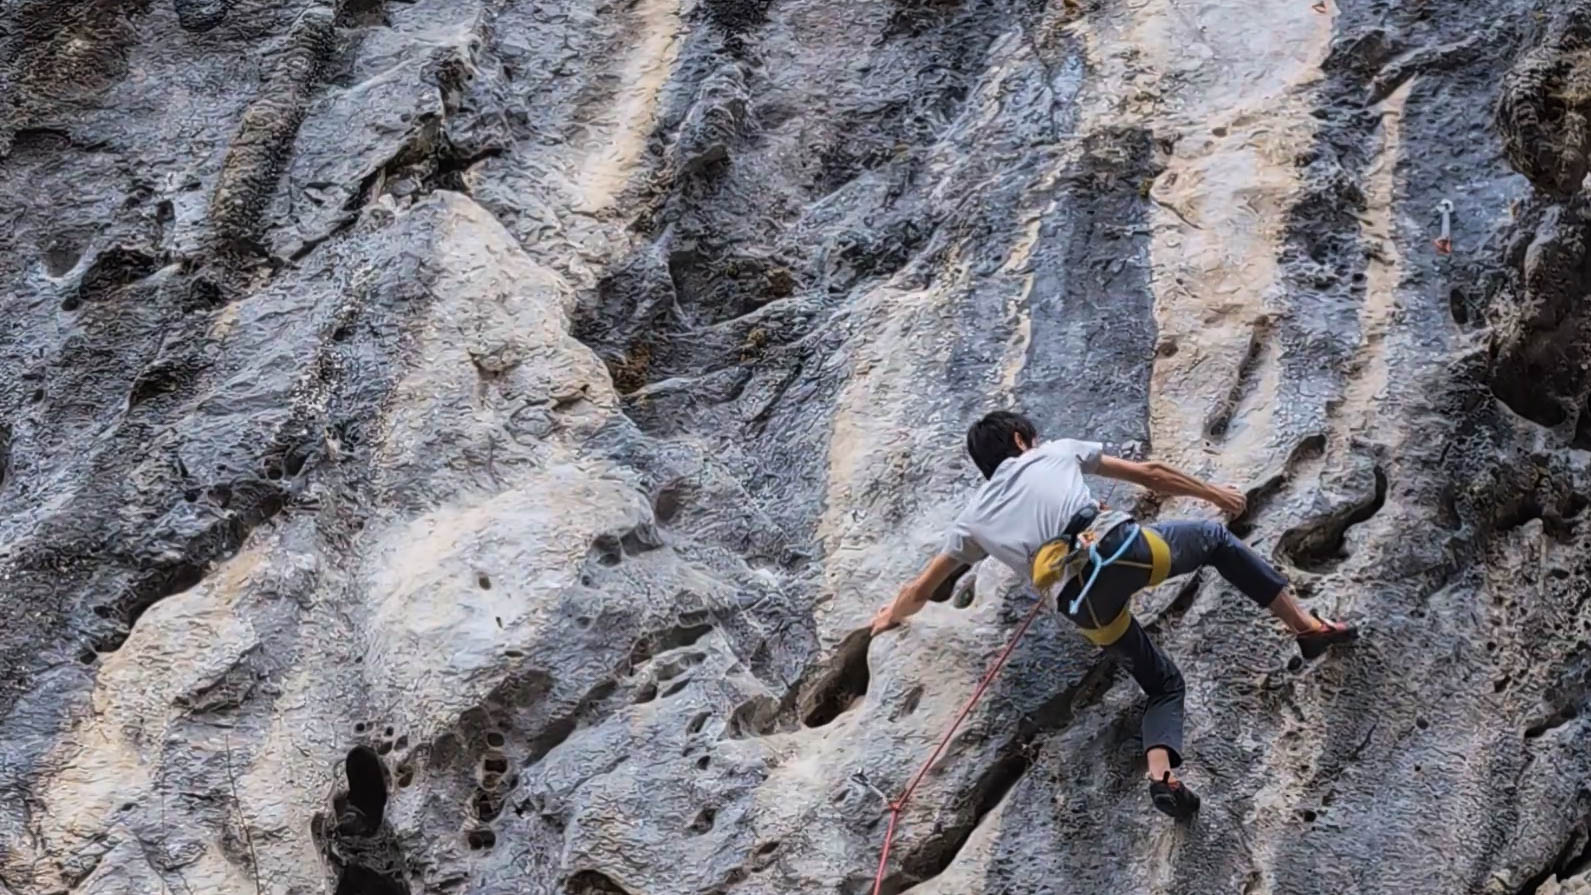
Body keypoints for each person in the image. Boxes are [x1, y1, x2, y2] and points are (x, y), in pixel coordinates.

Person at [869, 411, 1358, 819]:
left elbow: (920, 588)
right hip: (1118, 551)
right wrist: (1217, 495)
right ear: (1022, 440)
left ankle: (1163, 777)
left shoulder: (972, 519)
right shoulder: (1053, 451)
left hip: (1082, 606)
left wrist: (888, 617)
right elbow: (1152, 474)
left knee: (1163, 684)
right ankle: (1307, 628)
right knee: (1213, 542)